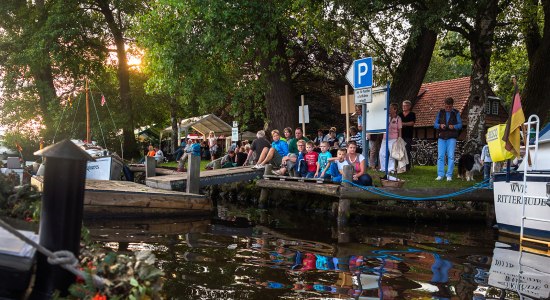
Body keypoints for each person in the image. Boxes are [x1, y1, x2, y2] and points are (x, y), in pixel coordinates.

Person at [434, 97, 462, 181]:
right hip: (441, 137)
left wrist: (454, 126)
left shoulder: (456, 113)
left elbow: (460, 125)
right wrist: (440, 125)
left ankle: (449, 175)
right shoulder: (440, 112)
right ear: (444, 105)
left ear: (452, 105)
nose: (448, 108)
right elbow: (435, 124)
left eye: (450, 107)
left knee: (451, 156)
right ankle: (440, 175)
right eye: (446, 107)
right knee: (440, 156)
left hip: (452, 137)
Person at [379, 103, 402, 173]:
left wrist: (399, 138)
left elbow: (400, 129)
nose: (389, 109)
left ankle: (391, 169)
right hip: (385, 138)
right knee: (381, 153)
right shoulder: (386, 117)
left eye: (391, 108)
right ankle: (383, 168)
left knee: (392, 154)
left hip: (393, 138)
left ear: (395, 109)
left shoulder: (398, 118)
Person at [398, 100, 416, 171]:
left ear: (409, 106)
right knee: (400, 151)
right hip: (400, 135)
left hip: (408, 135)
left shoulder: (412, 114)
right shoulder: (400, 114)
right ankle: (401, 166)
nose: (403, 107)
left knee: (407, 150)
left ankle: (407, 167)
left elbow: (412, 123)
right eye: (403, 105)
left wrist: (403, 124)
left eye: (405, 105)